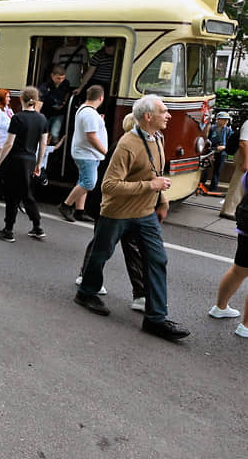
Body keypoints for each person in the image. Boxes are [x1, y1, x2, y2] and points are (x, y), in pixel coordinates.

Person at [75, 95, 190, 341]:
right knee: (101, 254)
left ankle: (155, 319)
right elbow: (109, 186)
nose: (168, 115)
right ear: (148, 116)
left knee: (158, 260)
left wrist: (162, 201)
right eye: (164, 111)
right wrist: (150, 186)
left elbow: (157, 173)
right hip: (117, 213)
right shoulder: (127, 144)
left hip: (146, 213)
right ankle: (86, 292)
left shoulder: (157, 137)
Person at [76, 113, 146, 309]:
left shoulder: (124, 144)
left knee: (106, 242)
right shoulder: (126, 146)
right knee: (114, 244)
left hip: (119, 206)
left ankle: (86, 277)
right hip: (113, 206)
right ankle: (139, 294)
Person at [0, 86, 49, 242]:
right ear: (35, 101)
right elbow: (43, 144)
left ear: (21, 99)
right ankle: (37, 226)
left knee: (12, 196)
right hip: (30, 160)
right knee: (27, 193)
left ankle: (8, 230)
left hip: (15, 160)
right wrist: (38, 163)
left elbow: (9, 144)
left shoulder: (17, 118)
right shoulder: (42, 119)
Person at [208, 170, 248, 338]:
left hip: (246, 222)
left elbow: (244, 182)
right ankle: (246, 326)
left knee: (238, 270)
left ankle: (220, 307)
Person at [59, 85, 107, 223]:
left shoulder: (87, 111)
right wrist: (105, 151)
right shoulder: (90, 114)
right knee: (89, 183)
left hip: (87, 153)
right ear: (101, 98)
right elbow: (91, 136)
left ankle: (80, 210)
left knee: (83, 181)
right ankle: (66, 205)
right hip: (87, 153)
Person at [72, 39, 116, 112]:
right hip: (97, 81)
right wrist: (80, 88)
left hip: (109, 85)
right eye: (107, 48)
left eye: (110, 48)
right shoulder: (99, 55)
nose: (108, 50)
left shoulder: (119, 55)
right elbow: (90, 72)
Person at [221, 120, 248, 220]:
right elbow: (243, 143)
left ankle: (235, 210)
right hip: (244, 157)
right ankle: (229, 210)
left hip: (245, 156)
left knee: (241, 185)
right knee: (238, 184)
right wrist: (246, 161)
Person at [200, 111, 232, 193]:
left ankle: (213, 188)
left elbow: (230, 142)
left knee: (217, 170)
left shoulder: (228, 130)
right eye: (223, 119)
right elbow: (207, 139)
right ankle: (201, 185)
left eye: (227, 120)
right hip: (211, 151)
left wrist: (224, 147)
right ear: (218, 120)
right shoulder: (212, 128)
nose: (225, 122)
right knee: (206, 169)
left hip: (222, 152)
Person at [38, 65, 70, 144]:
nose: (61, 80)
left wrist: (64, 102)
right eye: (58, 78)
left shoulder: (66, 83)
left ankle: (53, 152)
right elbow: (39, 102)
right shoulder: (44, 86)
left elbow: (67, 93)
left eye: (63, 78)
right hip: (46, 113)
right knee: (44, 135)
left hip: (59, 113)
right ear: (52, 76)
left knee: (55, 134)